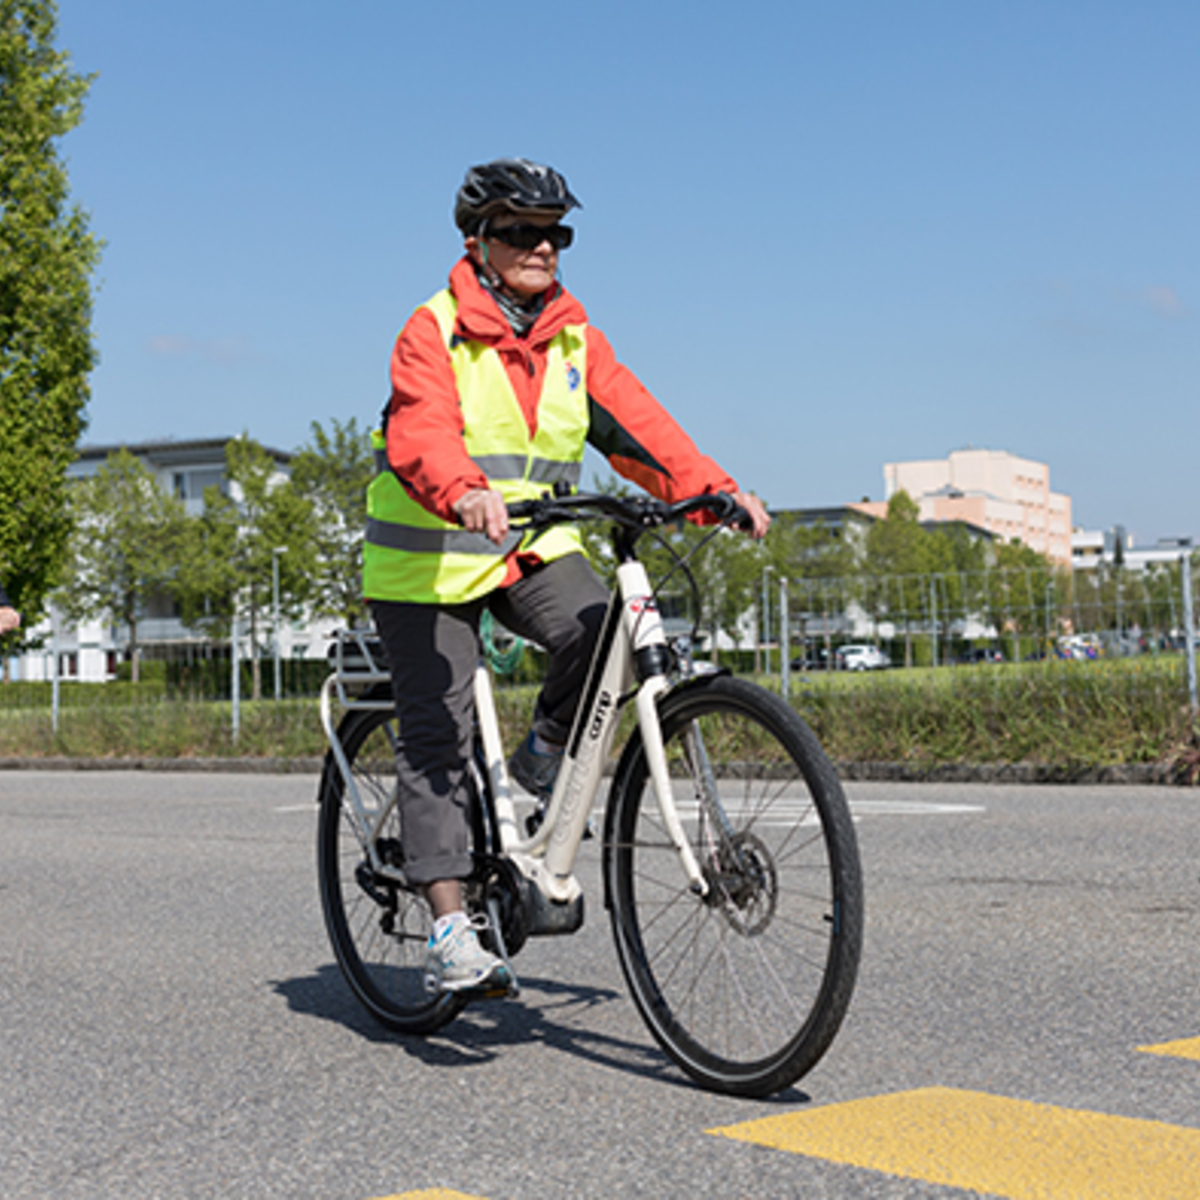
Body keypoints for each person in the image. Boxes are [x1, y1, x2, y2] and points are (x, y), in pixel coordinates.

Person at [362, 158, 769, 997]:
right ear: (478, 242)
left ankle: (541, 756)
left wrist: (714, 492)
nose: (541, 246)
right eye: (520, 231)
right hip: (428, 558)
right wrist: (464, 489)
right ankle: (448, 929)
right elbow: (421, 432)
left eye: (555, 233)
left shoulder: (576, 340)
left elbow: (641, 430)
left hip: (529, 547)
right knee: (438, 736)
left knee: (600, 629)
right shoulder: (431, 330)